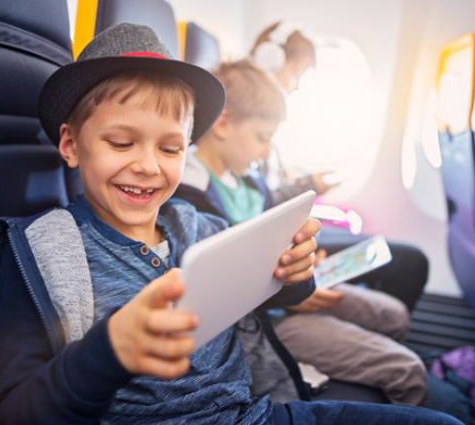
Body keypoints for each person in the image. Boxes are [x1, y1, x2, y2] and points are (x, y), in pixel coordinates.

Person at [0, 23, 462, 425]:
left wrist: (294, 278)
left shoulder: (198, 225)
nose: (149, 166)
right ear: (71, 146)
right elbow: (13, 411)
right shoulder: (43, 250)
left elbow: (265, 297)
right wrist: (107, 350)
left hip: (258, 411)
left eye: (170, 149)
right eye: (121, 143)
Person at [174, 59, 428, 406]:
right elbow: (225, 287)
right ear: (222, 122)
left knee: (394, 315)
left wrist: (302, 256)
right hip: (268, 319)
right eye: (262, 138)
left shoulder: (250, 183)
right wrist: (294, 291)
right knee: (408, 371)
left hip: (289, 290)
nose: (265, 152)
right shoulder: (191, 195)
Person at [250, 21, 428, 312]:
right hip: (280, 238)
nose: (295, 86)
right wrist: (311, 186)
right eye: (296, 74)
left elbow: (267, 188)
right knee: (410, 262)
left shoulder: (265, 126)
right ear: (269, 61)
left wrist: (308, 181)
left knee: (382, 249)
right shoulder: (245, 127)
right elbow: (261, 204)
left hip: (289, 231)